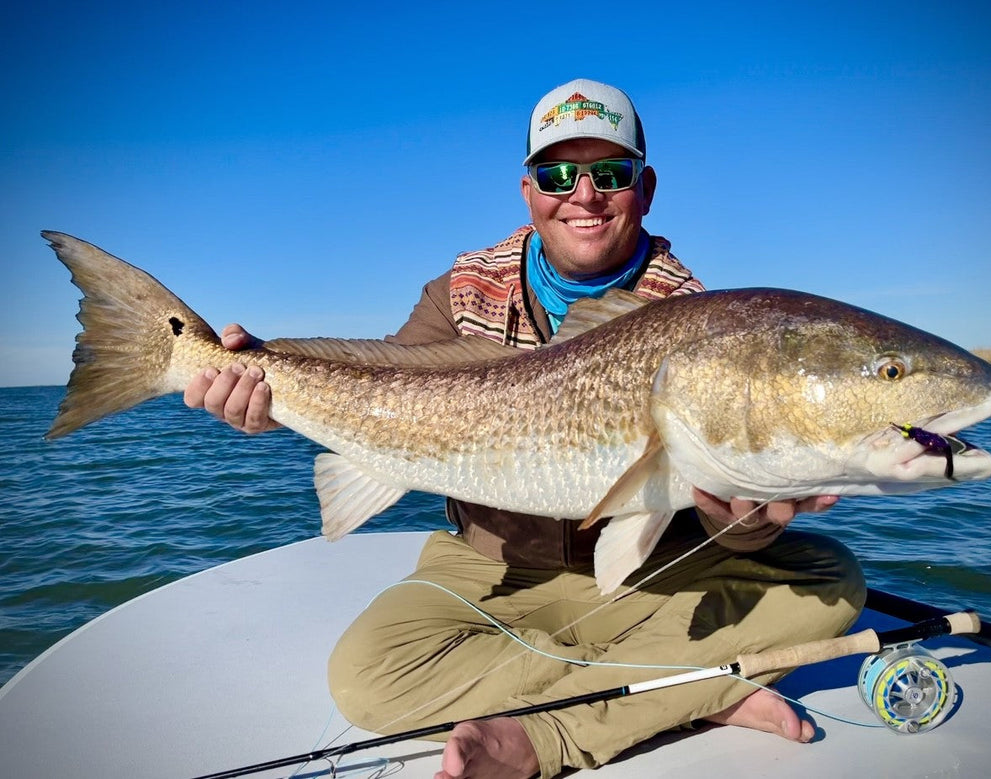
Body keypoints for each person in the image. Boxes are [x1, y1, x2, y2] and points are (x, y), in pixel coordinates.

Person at [184, 79, 865, 779]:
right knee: (365, 673)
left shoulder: (699, 322)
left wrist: (745, 522)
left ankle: (599, 713)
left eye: (611, 173)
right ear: (528, 191)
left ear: (646, 188)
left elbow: (730, 510)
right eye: (557, 174)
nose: (584, 195)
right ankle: (688, 687)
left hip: (649, 573)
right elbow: (381, 386)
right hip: (490, 565)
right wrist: (268, 391)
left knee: (833, 580)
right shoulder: (458, 290)